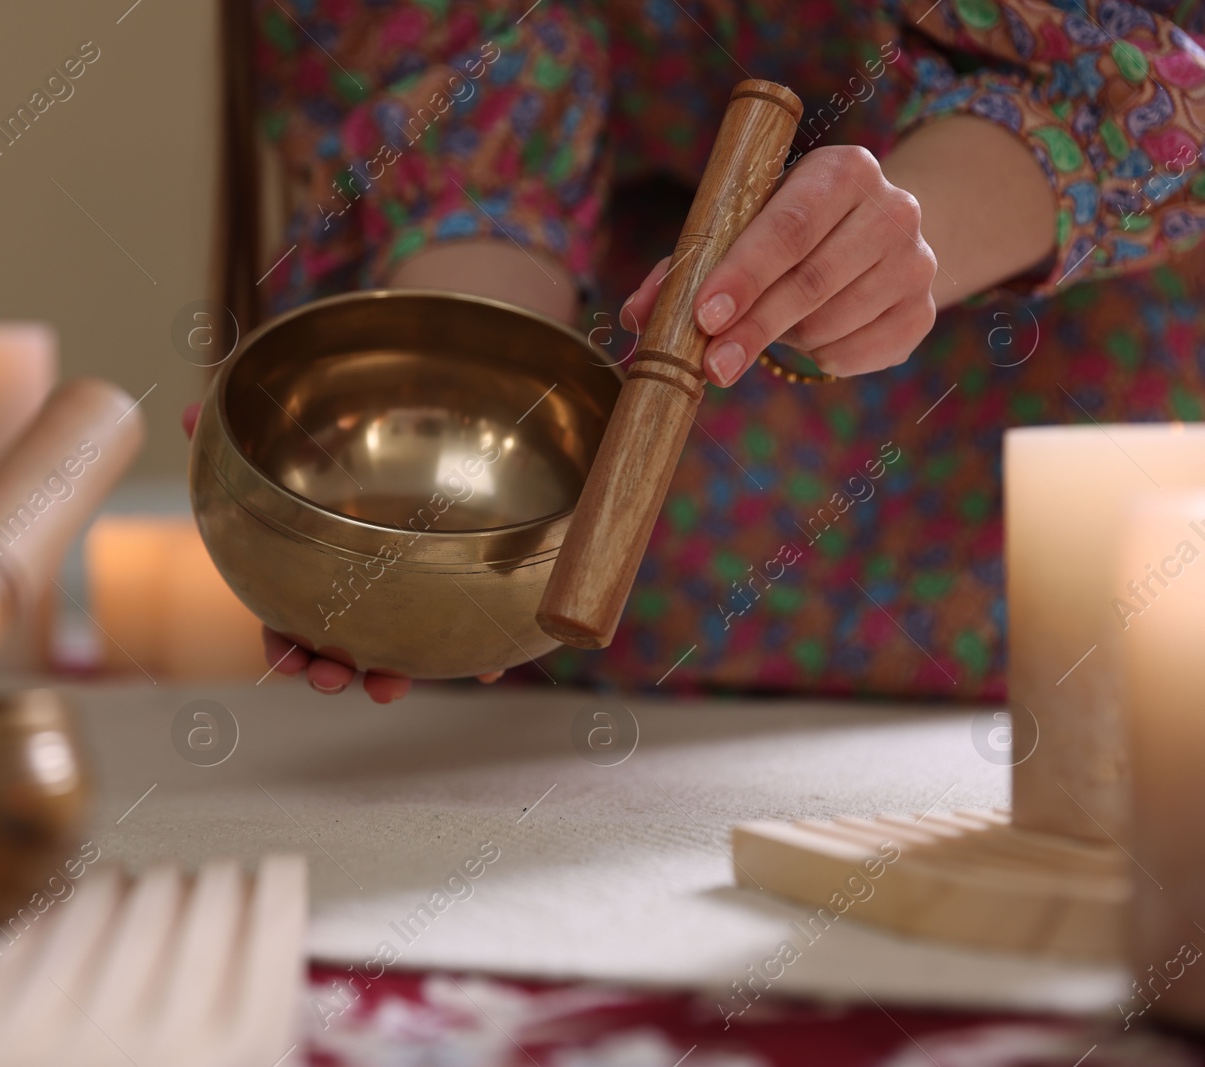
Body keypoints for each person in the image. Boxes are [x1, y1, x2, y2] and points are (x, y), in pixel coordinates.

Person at [191, 0, 1205, 704]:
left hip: (1014, 516)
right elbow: (471, 118)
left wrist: (899, 241)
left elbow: (1138, 79)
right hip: (627, 599)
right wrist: (441, 445)